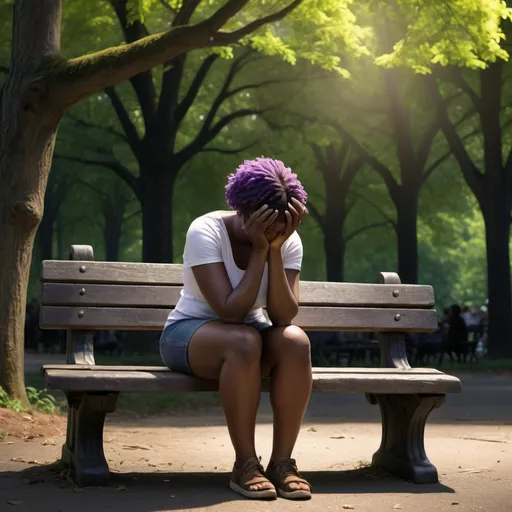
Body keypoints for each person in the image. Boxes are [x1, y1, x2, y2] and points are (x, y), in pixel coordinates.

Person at [159, 158, 312, 500]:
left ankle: (282, 464)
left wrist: (275, 249)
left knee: (295, 342)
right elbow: (229, 312)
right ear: (243, 211)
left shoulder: (288, 239)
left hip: (250, 337)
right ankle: (245, 464)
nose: (275, 231)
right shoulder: (206, 230)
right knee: (242, 339)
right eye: (266, 224)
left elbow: (283, 316)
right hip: (189, 334)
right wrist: (259, 249)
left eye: (281, 226)